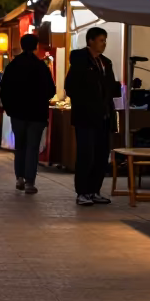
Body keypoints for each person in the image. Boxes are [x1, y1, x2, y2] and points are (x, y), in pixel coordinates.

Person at [64, 26, 121, 207]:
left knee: (101, 154)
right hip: (86, 116)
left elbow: (110, 87)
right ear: (90, 41)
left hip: (104, 116)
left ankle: (94, 190)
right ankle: (82, 192)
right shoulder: (81, 60)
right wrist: (86, 102)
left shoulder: (106, 63)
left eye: (105, 41)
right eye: (101, 40)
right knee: (86, 154)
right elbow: (71, 87)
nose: (104, 44)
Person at [0, 33, 56, 194]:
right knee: (32, 147)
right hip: (37, 114)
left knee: (20, 146)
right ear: (36, 47)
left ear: (22, 45)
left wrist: (10, 108)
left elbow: (4, 90)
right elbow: (51, 90)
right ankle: (30, 182)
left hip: (17, 114)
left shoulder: (13, 66)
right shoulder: (41, 67)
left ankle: (19, 178)